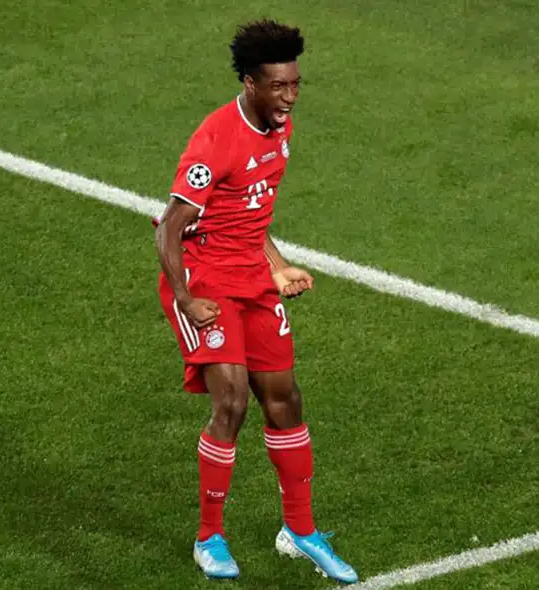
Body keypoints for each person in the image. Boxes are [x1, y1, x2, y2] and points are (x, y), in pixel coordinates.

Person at [153, 18, 358, 585]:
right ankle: (209, 537)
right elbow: (169, 228)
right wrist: (189, 299)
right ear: (249, 82)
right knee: (234, 400)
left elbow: (248, 213)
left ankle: (300, 531)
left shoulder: (278, 127)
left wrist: (278, 265)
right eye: (278, 87)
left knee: (285, 397)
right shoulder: (216, 140)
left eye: (295, 85)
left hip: (251, 275)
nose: (290, 97)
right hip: (205, 280)